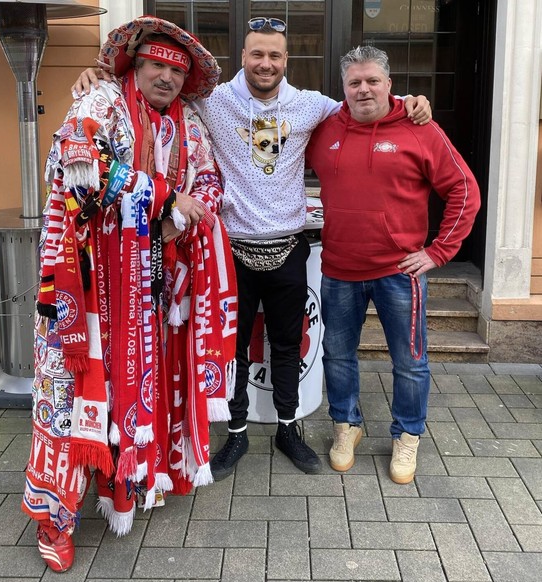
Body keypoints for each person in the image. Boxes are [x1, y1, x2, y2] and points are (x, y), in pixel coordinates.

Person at [75, 17, 432, 481]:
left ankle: (289, 430)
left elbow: (362, 99)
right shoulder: (210, 100)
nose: (266, 63)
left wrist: (409, 101)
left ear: (287, 60)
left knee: (286, 346)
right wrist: (95, 76)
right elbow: (147, 87)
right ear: (242, 58)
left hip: (289, 248)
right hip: (229, 250)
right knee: (234, 349)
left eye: (275, 55)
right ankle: (237, 433)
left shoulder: (310, 106)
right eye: (257, 54)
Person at [22, 16, 238, 573]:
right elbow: (74, 166)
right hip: (92, 289)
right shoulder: (98, 104)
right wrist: (165, 196)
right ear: (135, 65)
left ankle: (125, 480)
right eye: (157, 66)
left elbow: (211, 185)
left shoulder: (189, 121)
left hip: (154, 290)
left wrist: (178, 222)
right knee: (73, 396)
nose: (166, 77)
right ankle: (54, 518)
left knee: (137, 391)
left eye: (176, 70)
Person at [306, 45, 480, 484]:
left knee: (410, 362)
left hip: (399, 273)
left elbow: (464, 189)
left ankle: (408, 435)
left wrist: (438, 252)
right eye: (354, 82)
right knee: (339, 357)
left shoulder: (420, 128)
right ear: (343, 88)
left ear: (389, 84)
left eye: (372, 81)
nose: (363, 89)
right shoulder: (324, 129)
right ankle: (346, 427)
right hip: (339, 269)